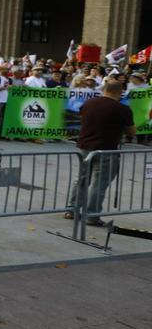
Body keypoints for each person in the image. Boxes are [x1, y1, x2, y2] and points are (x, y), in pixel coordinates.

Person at [68, 80, 136, 227]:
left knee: (81, 179)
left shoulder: (89, 103)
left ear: (104, 89)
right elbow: (131, 132)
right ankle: (91, 215)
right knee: (98, 183)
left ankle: (72, 209)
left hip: (85, 146)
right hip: (106, 149)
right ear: (120, 92)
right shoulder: (122, 109)